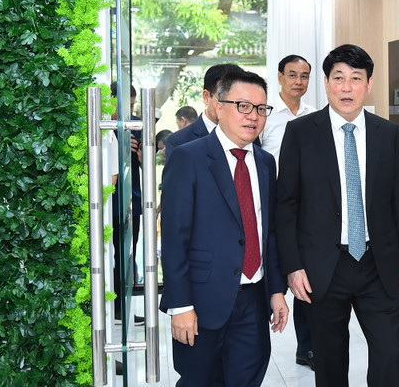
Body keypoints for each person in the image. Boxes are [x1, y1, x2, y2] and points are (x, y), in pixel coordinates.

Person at [276, 43, 399, 387]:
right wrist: (293, 266)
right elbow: (286, 204)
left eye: (356, 78)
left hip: (378, 265)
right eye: (338, 78)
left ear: (368, 85)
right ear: (326, 83)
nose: (346, 87)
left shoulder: (390, 134)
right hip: (323, 266)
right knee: (329, 362)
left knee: (390, 355)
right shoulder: (300, 132)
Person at [159, 69, 288, 386]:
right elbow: (174, 238)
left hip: (254, 301)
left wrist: (276, 291)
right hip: (202, 301)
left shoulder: (265, 162)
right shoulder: (188, 157)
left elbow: (269, 232)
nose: (253, 116)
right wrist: (180, 305)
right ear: (218, 106)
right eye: (243, 106)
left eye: (261, 108)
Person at [260, 54, 316, 370]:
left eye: (304, 76)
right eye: (292, 75)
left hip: (305, 208)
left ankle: (307, 347)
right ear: (280, 77)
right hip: (270, 206)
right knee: (271, 272)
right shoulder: (265, 116)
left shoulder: (315, 116)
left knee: (307, 277)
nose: (298, 81)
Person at [110, 81, 144, 326]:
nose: (129, 112)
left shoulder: (137, 126)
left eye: (132, 106)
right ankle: (113, 309)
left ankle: (123, 308)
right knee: (110, 256)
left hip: (133, 200)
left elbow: (146, 164)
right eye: (124, 106)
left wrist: (142, 155)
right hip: (108, 201)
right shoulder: (101, 128)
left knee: (127, 254)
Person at [165, 63, 243, 162]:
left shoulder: (248, 136)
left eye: (240, 103)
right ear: (206, 97)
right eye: (225, 100)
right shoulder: (179, 141)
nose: (232, 108)